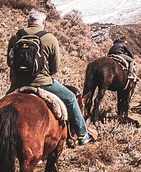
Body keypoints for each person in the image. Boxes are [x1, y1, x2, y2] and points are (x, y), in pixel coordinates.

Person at [7, 10, 93, 145]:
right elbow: (55, 67)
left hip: (17, 83)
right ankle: (82, 134)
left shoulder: (16, 37)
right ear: (43, 23)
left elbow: (9, 62)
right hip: (43, 83)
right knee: (70, 98)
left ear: (29, 22)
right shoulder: (49, 38)